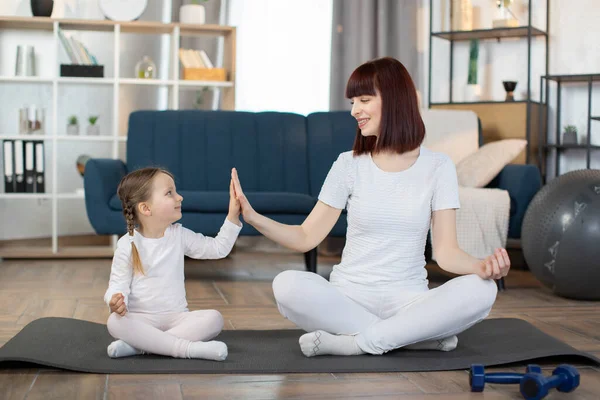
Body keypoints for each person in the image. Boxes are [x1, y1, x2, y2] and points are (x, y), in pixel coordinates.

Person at [230, 57, 510, 357]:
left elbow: (446, 253)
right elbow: (306, 237)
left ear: (394, 101)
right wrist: (253, 217)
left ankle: (358, 343)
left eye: (364, 100)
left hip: (409, 301)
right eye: (353, 101)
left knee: (483, 289)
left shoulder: (438, 167)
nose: (354, 111)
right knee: (286, 284)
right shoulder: (348, 164)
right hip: (348, 297)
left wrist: (481, 267)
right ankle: (410, 337)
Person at [104, 167, 242, 360]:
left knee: (214, 319)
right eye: (170, 193)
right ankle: (188, 349)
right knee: (115, 322)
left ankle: (140, 346)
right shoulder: (127, 244)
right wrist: (115, 299)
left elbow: (218, 248)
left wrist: (233, 215)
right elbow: (117, 285)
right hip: (140, 319)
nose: (180, 197)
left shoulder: (179, 235)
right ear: (146, 208)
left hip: (177, 319)